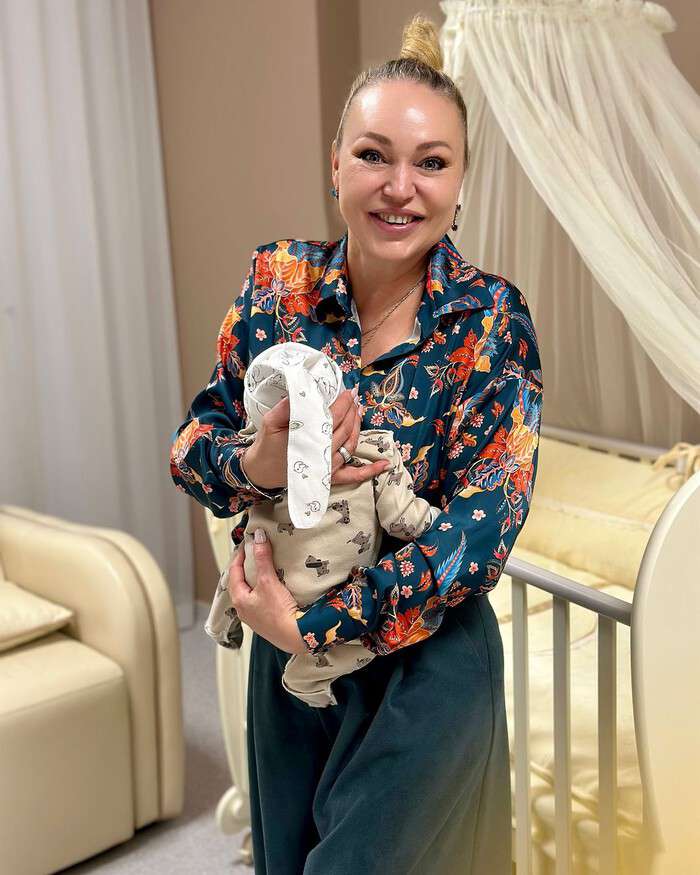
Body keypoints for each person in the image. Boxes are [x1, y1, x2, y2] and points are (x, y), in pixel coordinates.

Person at [169, 13, 543, 874]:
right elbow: (192, 444)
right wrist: (253, 464)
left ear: (461, 184)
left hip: (423, 666)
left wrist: (315, 628)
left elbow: (480, 534)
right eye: (374, 154)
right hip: (285, 661)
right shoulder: (277, 284)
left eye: (432, 162)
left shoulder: (491, 320)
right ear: (334, 162)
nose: (400, 187)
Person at [202, 339, 441, 709]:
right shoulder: (374, 450)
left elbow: (209, 453)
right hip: (328, 595)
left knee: (244, 556)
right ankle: (305, 679)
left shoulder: (252, 449)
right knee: (358, 640)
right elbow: (402, 521)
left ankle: (221, 619)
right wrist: (437, 519)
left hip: (258, 571)